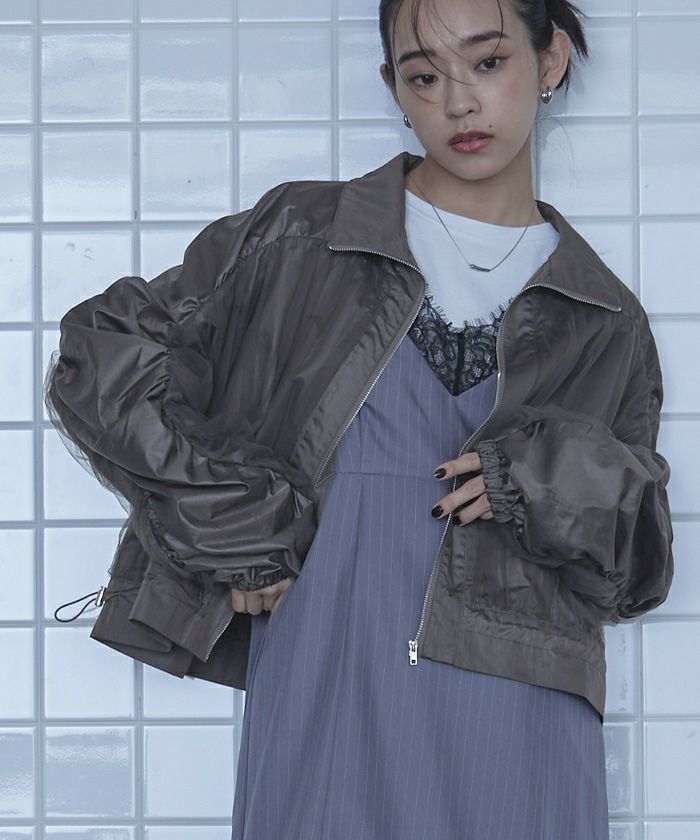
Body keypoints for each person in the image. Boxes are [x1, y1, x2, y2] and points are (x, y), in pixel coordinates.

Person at [45, 0, 673, 837]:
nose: (459, 101)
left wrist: (544, 475)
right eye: (424, 75)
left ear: (550, 59)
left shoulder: (604, 318)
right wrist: (232, 527)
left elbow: (636, 569)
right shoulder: (302, 241)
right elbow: (102, 355)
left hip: (522, 731)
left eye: (488, 62)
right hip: (325, 693)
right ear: (393, 86)